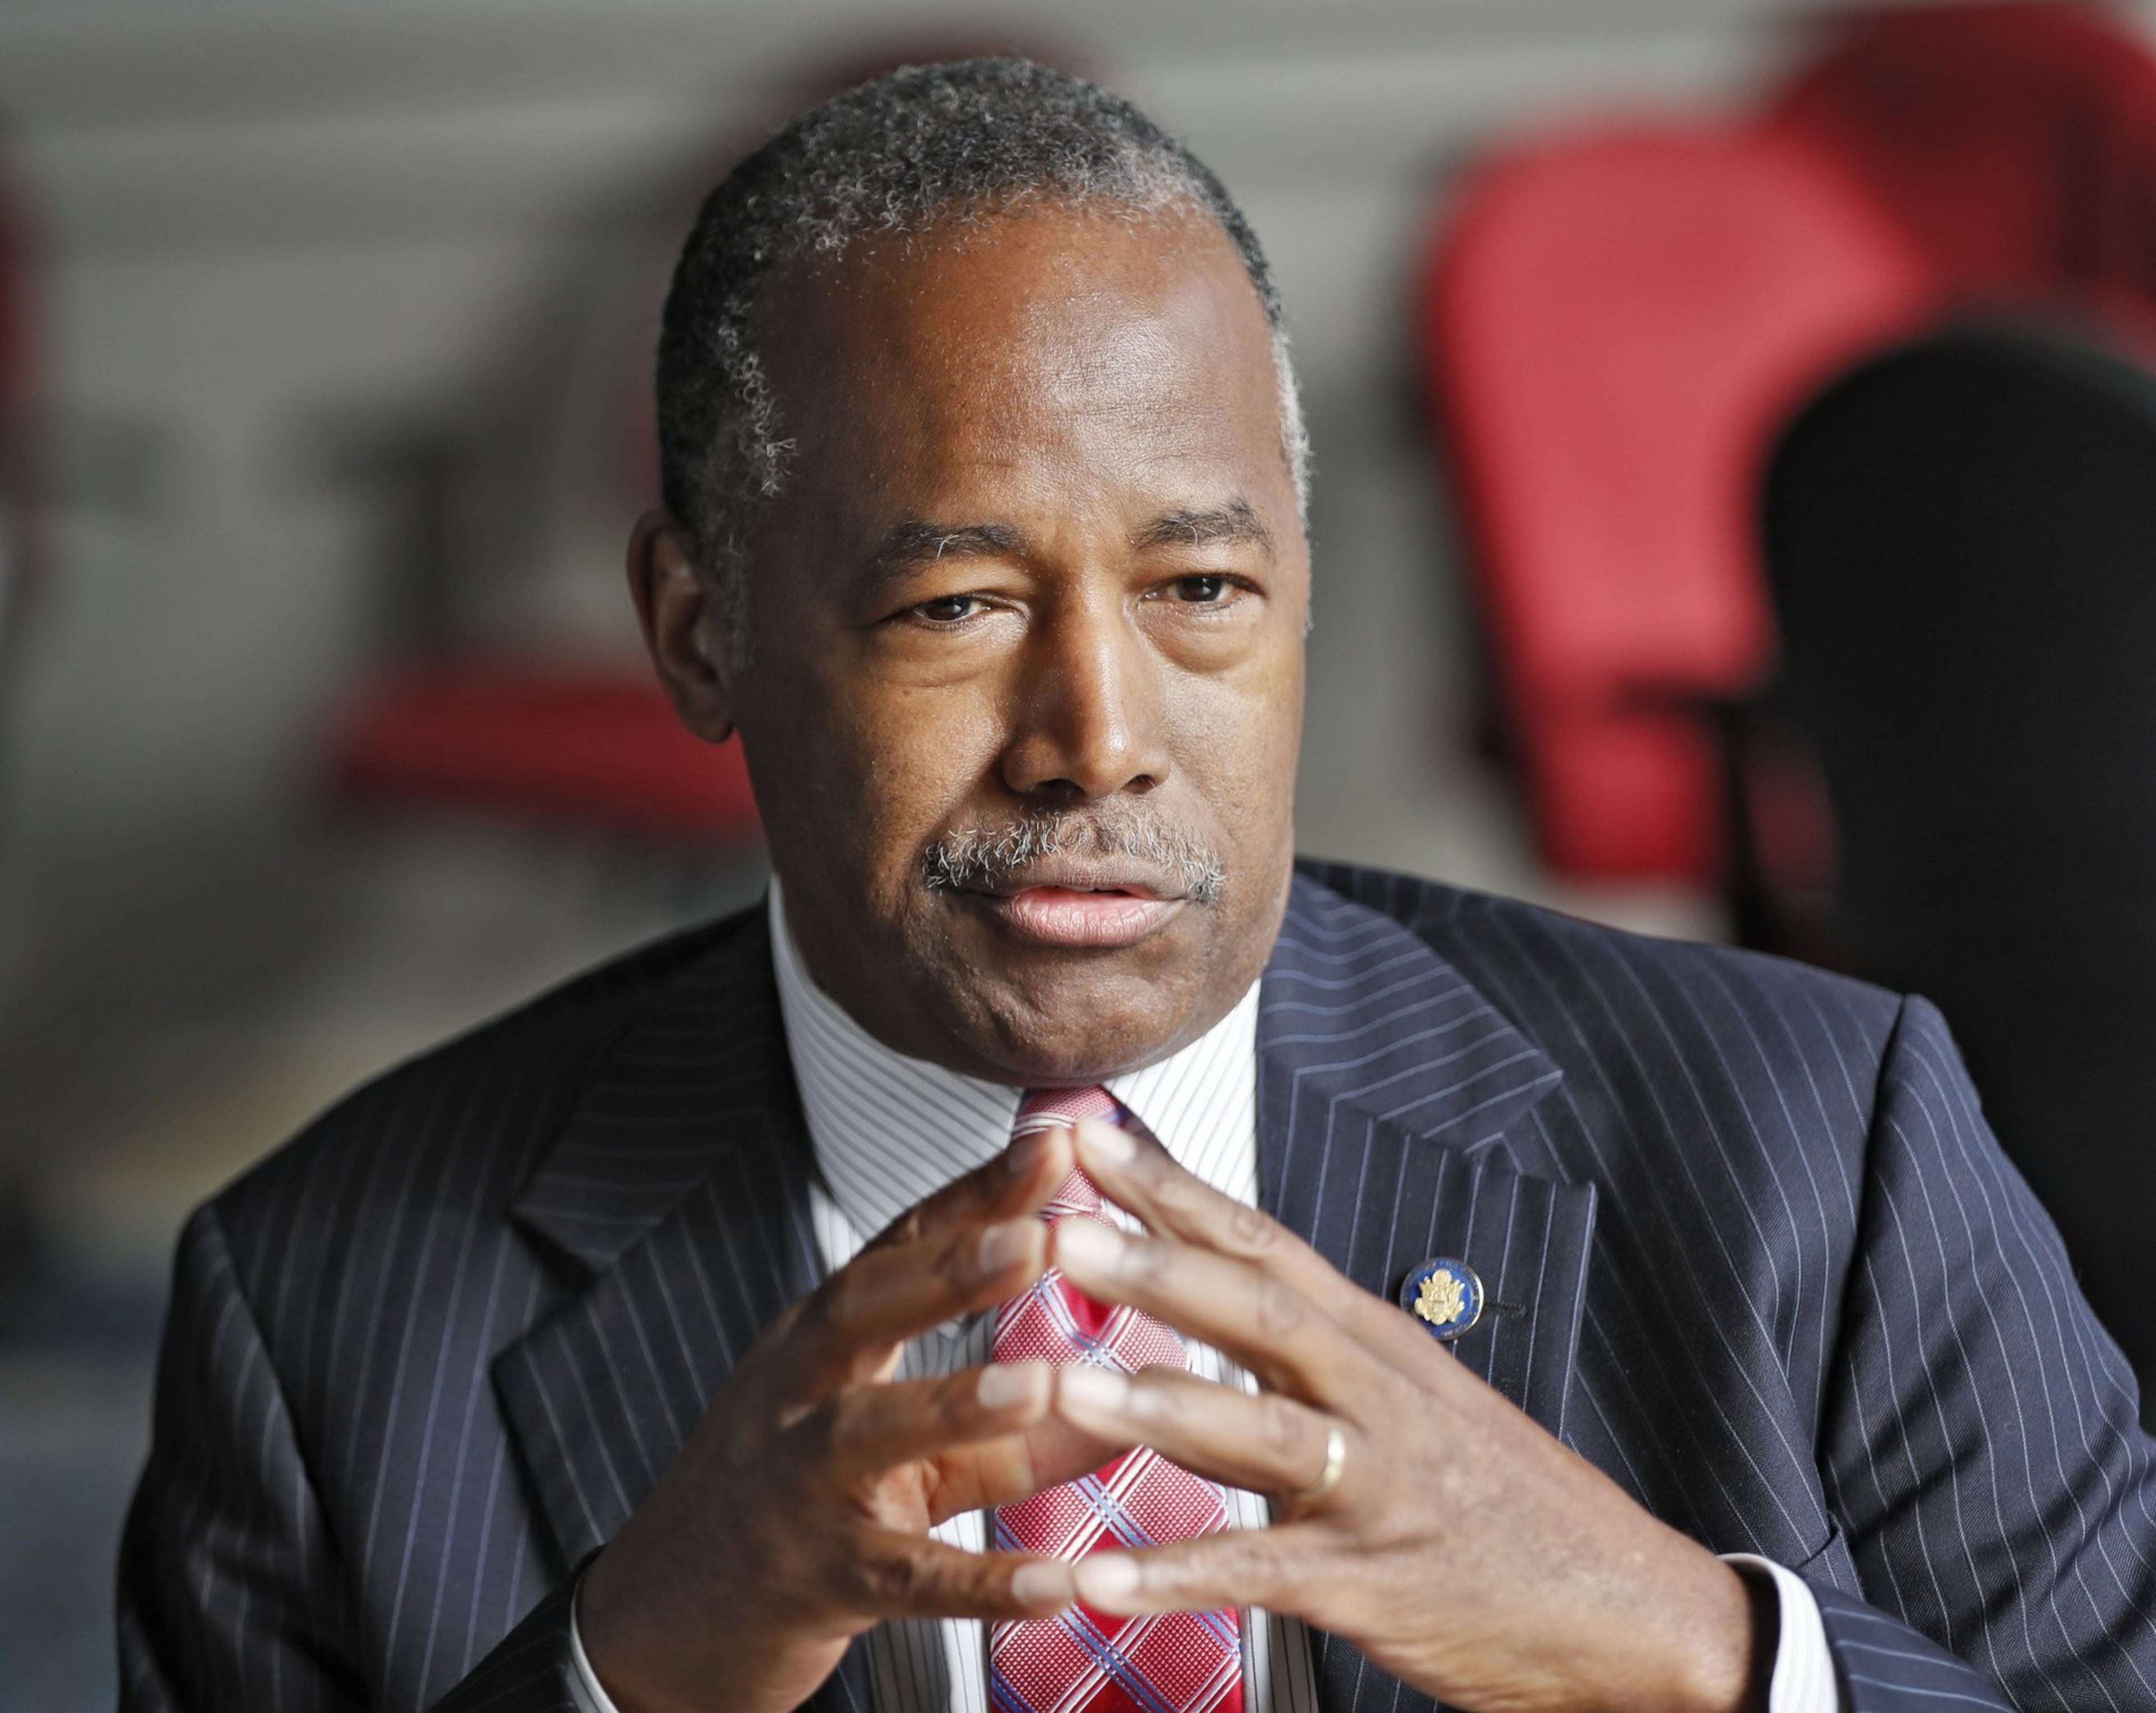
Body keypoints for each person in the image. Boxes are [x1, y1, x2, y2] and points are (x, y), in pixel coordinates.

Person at [117, 59, 2154, 1713]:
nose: (1097, 732)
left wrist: (1692, 1651)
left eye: (1200, 590)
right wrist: (622, 1670)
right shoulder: (320, 1312)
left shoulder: (1827, 1146)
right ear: (700, 627)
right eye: (956, 600)